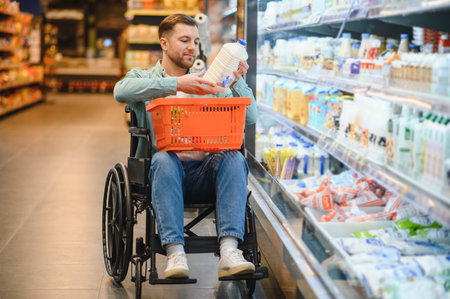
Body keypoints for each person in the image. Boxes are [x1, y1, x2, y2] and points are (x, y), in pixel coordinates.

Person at [113, 14, 258, 279]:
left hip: (206, 173)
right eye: (184, 40)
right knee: (164, 159)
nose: (192, 46)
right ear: (164, 43)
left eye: (195, 40)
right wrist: (177, 84)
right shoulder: (144, 77)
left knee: (235, 158)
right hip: (163, 175)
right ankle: (175, 253)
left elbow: (250, 118)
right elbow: (121, 91)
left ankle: (229, 250)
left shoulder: (207, 81)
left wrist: (235, 80)